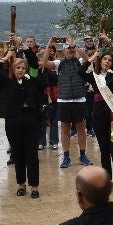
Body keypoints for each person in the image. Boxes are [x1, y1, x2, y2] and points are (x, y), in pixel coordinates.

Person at [0, 41, 48, 198]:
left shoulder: (32, 79)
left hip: (31, 119)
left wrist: (24, 47)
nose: (21, 70)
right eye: (18, 68)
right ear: (13, 69)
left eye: (23, 68)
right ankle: (21, 184)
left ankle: (34, 186)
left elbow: (34, 63)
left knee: (32, 154)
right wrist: (5, 58)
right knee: (18, 154)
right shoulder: (6, 82)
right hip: (13, 121)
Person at [86, 33, 113, 198]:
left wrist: (109, 41)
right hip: (99, 114)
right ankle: (107, 184)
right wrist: (92, 57)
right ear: (100, 60)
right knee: (104, 151)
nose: (107, 61)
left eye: (110, 60)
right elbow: (80, 71)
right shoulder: (94, 76)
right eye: (105, 59)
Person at [45, 36, 92, 168]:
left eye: (72, 48)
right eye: (68, 48)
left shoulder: (80, 61)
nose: (70, 50)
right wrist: (49, 45)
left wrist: (74, 45)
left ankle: (83, 155)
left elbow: (87, 58)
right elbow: (44, 63)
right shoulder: (59, 64)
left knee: (81, 129)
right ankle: (66, 157)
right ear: (63, 51)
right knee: (65, 129)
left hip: (79, 99)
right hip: (64, 100)